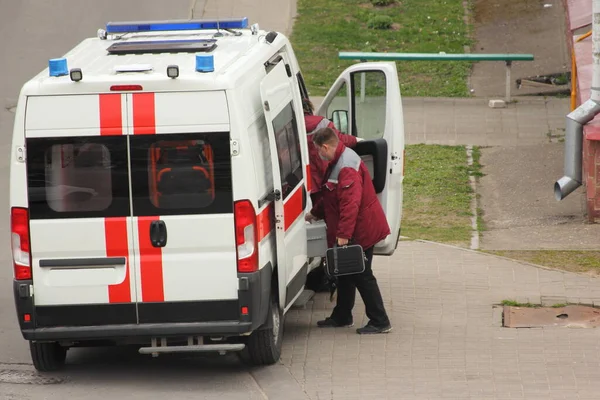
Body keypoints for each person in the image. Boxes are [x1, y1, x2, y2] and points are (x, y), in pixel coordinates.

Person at [305, 127, 392, 335]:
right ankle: (342, 316)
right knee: (345, 273)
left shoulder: (345, 167)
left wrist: (343, 235)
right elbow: (330, 195)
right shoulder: (339, 160)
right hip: (358, 228)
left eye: (318, 151)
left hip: (360, 231)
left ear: (326, 147)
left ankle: (380, 320)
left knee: (362, 274)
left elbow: (349, 205)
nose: (318, 155)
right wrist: (315, 213)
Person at [302, 98, 359, 293]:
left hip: (306, 187)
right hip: (326, 185)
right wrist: (358, 140)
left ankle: (328, 272)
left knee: (320, 232)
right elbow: (339, 139)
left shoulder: (290, 124)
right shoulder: (323, 124)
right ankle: (329, 273)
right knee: (330, 230)